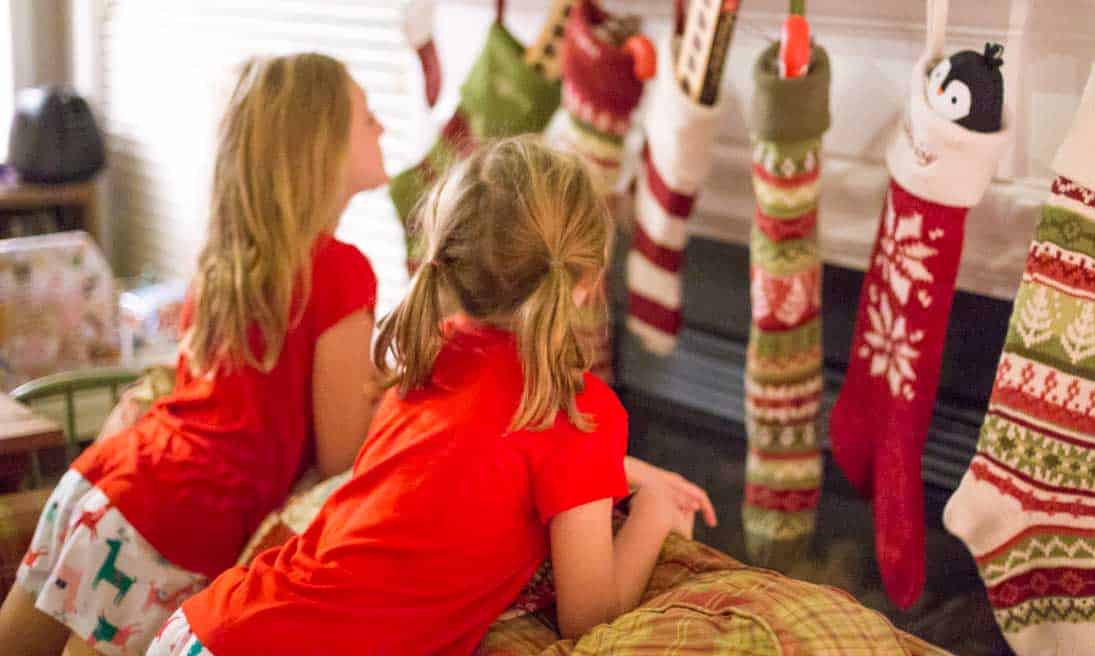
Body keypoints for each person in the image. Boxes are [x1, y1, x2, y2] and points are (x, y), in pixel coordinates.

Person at [147, 136, 717, 656]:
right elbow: (591, 615)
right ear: (588, 281)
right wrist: (654, 510)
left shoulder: (434, 353)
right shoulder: (580, 410)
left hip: (214, 627)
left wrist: (622, 468)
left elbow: (476, 456)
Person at [0, 53, 390, 656]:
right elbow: (343, 451)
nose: (384, 129)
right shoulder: (340, 274)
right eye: (368, 118)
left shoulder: (230, 259)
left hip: (109, 481)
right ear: (323, 147)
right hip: (176, 524)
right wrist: (387, 391)